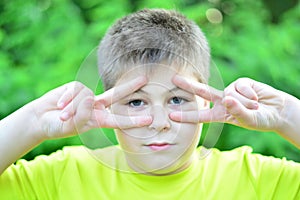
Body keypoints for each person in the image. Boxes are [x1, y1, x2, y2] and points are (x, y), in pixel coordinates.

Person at [0, 8, 299, 199]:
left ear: (206, 101)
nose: (159, 123)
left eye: (178, 99)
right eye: (135, 102)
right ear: (108, 106)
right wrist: (34, 122)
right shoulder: (65, 175)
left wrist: (287, 115)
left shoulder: (257, 180)